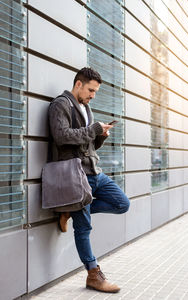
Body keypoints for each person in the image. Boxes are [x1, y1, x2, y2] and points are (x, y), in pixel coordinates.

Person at [48, 67, 130, 293]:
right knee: (84, 227)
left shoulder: (86, 108)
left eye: (95, 91)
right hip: (76, 176)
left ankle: (70, 210)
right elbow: (61, 136)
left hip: (95, 172)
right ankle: (93, 275)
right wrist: (93, 129)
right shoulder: (60, 104)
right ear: (78, 84)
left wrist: (99, 136)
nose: (93, 95)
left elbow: (88, 144)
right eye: (91, 90)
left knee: (122, 203)